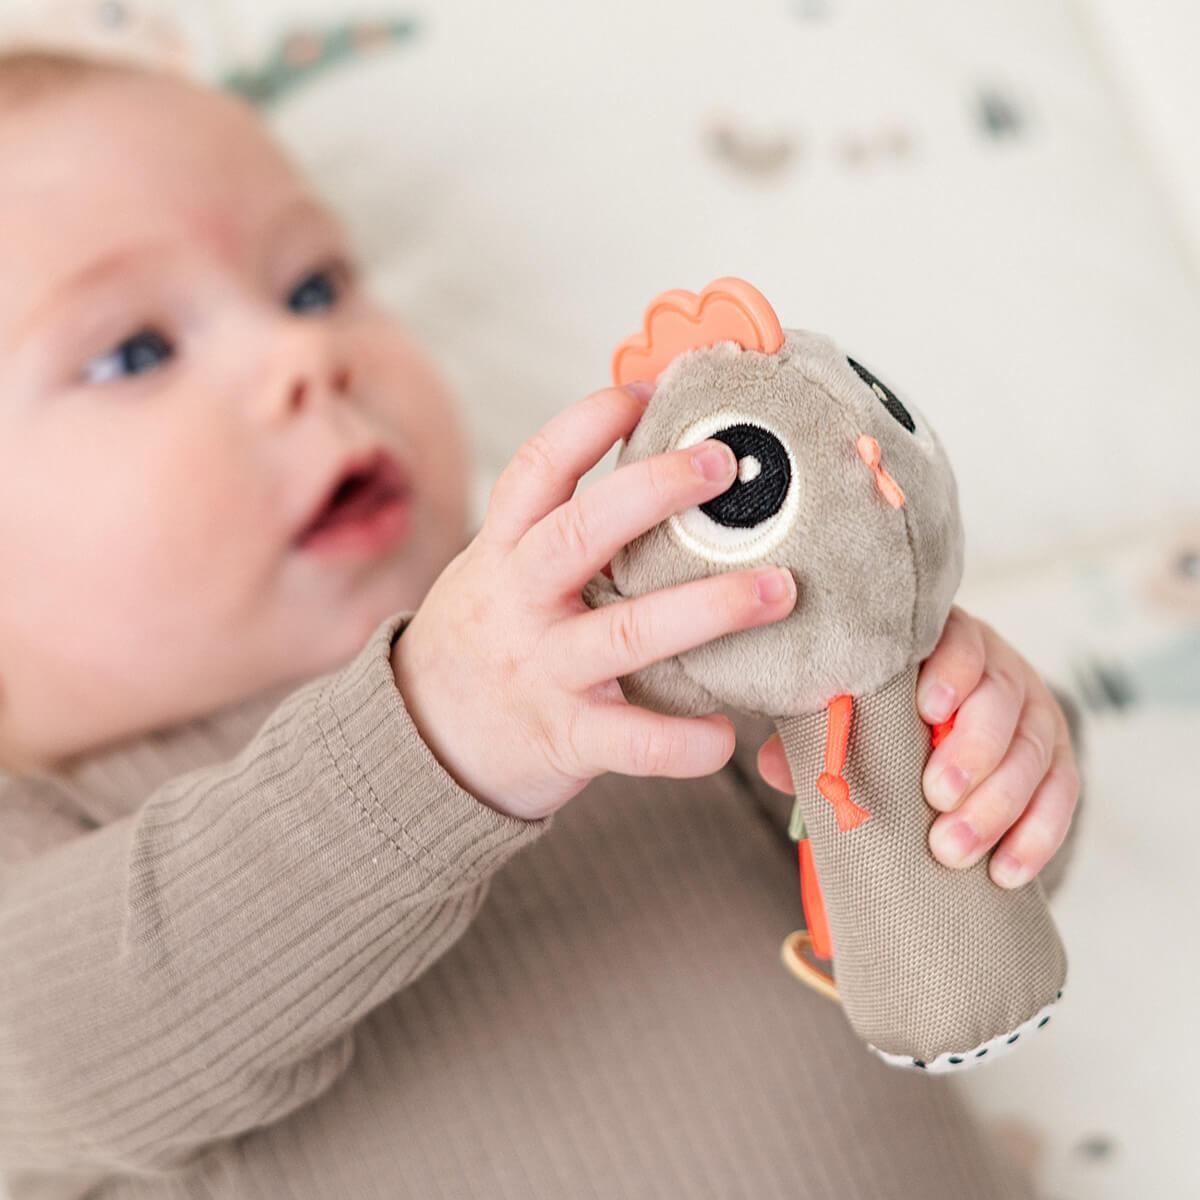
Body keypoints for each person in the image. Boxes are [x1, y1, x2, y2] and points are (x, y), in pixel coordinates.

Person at [0, 51, 1080, 1200]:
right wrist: (430, 740)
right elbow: (62, 1050)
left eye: (313, 288)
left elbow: (906, 918)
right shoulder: (43, 824)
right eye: (132, 353)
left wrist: (965, 757)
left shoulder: (630, 638)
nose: (304, 355)